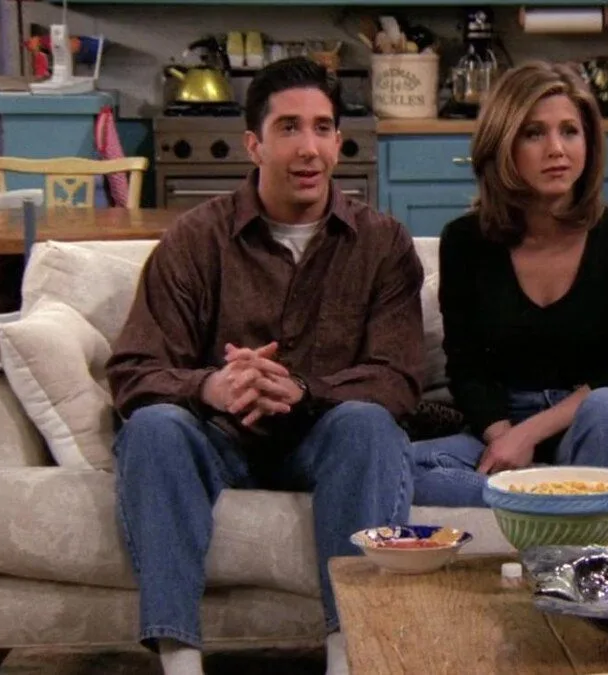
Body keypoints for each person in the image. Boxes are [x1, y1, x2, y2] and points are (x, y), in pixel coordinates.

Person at [106, 57, 424, 675]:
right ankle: (180, 662)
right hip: (220, 438)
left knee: (368, 423)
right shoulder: (195, 238)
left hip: (324, 437)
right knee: (152, 427)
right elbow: (134, 369)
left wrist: (301, 390)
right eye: (288, 128)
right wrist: (214, 386)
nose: (308, 148)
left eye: (322, 128)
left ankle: (348, 658)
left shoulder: (382, 243)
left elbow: (398, 377)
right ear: (254, 144)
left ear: (339, 140)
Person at [410, 61, 608, 540]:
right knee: (399, 465)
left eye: (570, 131)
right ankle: (552, 498)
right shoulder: (465, 240)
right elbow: (466, 364)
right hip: (501, 426)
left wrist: (531, 433)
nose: (556, 149)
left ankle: (601, 573)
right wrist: (505, 437)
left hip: (594, 425)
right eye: (534, 133)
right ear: (502, 145)